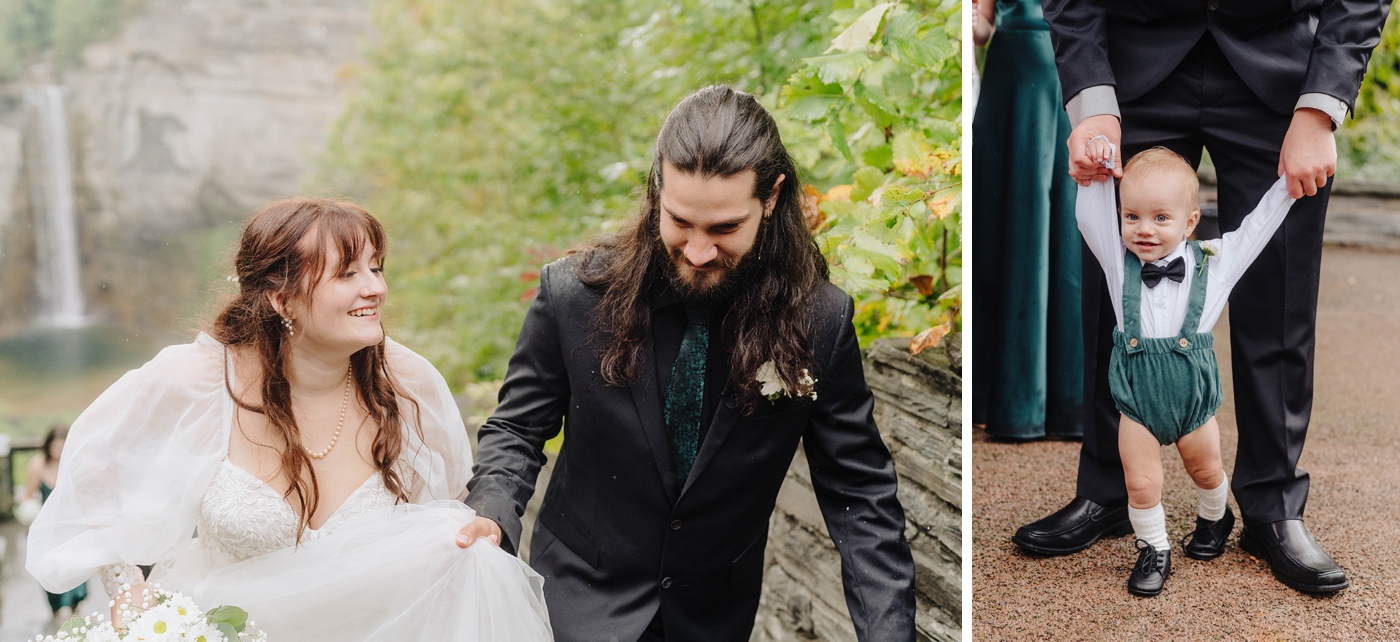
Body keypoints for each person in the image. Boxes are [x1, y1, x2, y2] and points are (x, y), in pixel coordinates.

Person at [454, 85, 916, 641]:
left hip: (713, 619)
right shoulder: (572, 295)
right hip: (575, 604)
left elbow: (860, 497)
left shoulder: (820, 320)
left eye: (724, 228)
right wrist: (493, 510)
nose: (698, 251)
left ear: (771, 197)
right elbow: (518, 429)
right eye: (680, 222)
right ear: (656, 189)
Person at [27, 199, 553, 640]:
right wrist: (130, 591)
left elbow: (445, 528)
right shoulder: (199, 380)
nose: (374, 288)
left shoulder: (408, 386)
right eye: (348, 274)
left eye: (376, 268)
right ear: (281, 297)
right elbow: (95, 471)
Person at [1017, 0, 1391, 594]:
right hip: (1133, 70)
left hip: (1280, 76)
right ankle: (1109, 489)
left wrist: (1321, 106)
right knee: (1114, 301)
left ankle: (1272, 507)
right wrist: (1091, 98)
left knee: (1281, 298)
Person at [1075, 143, 1298, 596]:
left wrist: (1289, 188)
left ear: (1190, 222)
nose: (1143, 229)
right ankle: (1154, 548)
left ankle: (1216, 516)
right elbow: (1091, 218)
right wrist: (1096, 172)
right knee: (1140, 482)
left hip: (1192, 401)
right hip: (1136, 401)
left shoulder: (1215, 262)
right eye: (1131, 216)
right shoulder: (1119, 265)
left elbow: (1257, 227)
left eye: (1160, 218)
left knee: (1206, 471)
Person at [970, 0, 1084, 439]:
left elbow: (982, 26)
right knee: (1053, 229)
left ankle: (1016, 403)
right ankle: (1065, 405)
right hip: (1060, 61)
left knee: (1016, 227)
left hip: (1025, 59)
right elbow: (980, 26)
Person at [23, 426, 89, 622]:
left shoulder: (75, 464)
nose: (58, 450)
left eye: (62, 445)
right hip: (48, 529)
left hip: (72, 526)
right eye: (54, 445)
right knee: (51, 568)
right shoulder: (38, 465)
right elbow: (27, 496)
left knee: (75, 566)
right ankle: (56, 605)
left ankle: (73, 605)